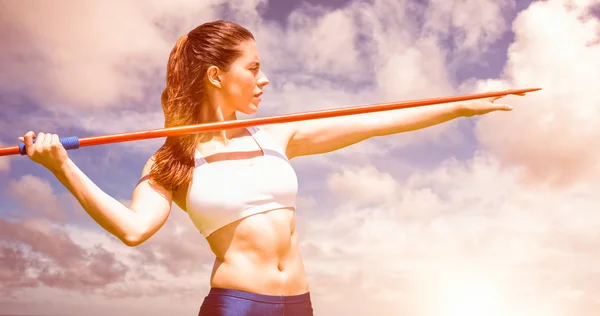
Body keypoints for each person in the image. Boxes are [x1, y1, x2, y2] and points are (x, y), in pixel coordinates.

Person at [18, 20, 520, 316]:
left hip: (300, 303)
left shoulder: (276, 135)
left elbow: (377, 122)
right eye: (253, 69)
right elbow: (133, 231)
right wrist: (62, 167)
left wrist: (460, 105)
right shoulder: (173, 157)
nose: (264, 80)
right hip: (236, 306)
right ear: (217, 76)